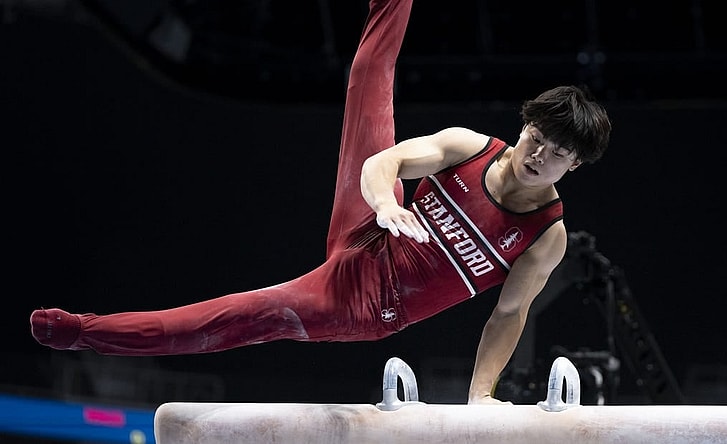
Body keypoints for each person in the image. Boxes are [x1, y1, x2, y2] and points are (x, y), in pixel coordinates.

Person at [30, 0, 611, 404]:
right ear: (525, 124)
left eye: (558, 154)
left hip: (361, 302)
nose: (540, 156)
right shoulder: (468, 147)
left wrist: (479, 396)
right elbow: (384, 163)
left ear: (575, 166)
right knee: (367, 76)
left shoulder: (545, 235)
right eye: (538, 139)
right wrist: (385, 204)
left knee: (234, 317)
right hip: (372, 225)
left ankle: (87, 331)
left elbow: (509, 315)